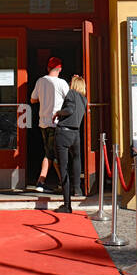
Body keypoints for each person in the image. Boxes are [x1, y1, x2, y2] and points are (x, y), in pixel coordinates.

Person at [28, 57, 68, 193]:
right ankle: (55, 182)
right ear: (60, 69)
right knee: (55, 155)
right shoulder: (62, 83)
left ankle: (46, 182)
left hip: (43, 123)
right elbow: (70, 101)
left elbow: (32, 99)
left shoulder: (40, 81)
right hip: (56, 123)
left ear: (48, 68)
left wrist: (44, 97)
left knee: (49, 153)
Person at [53, 74, 89, 213]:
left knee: (63, 167)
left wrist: (58, 113)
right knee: (76, 161)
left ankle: (67, 205)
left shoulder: (71, 94)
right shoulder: (84, 100)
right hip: (75, 134)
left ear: (73, 85)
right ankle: (77, 189)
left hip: (63, 133)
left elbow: (70, 110)